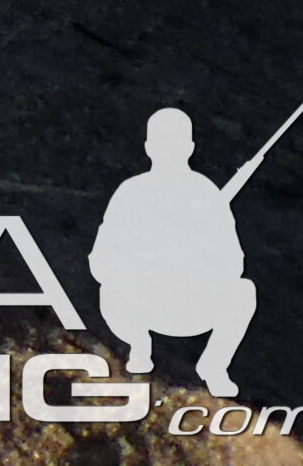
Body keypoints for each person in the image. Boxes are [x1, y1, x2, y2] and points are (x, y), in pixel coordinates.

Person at [90, 105, 261, 396]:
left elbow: (234, 263)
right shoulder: (132, 192)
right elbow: (100, 259)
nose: (169, 150)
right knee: (109, 290)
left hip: (191, 303)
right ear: (149, 147)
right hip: (140, 303)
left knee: (244, 292)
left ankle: (214, 365)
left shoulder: (206, 194)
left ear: (190, 147)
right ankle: (138, 345)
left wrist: (199, 255)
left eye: (177, 143)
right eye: (162, 143)